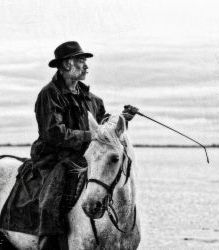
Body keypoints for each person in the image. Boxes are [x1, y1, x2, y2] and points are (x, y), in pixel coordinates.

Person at [0, 41, 138, 250]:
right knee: (50, 200)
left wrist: (122, 118)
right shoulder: (49, 94)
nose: (86, 66)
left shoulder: (93, 99)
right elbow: (54, 133)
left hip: (85, 157)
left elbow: (103, 129)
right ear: (66, 65)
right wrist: (90, 135)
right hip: (53, 158)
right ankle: (47, 243)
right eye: (81, 61)